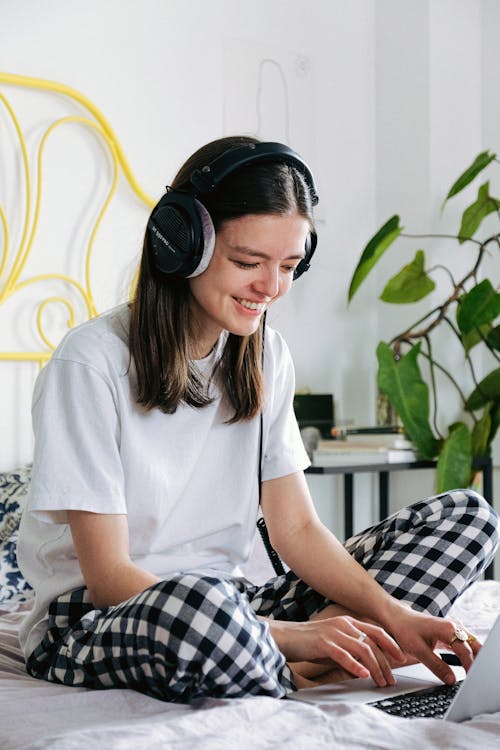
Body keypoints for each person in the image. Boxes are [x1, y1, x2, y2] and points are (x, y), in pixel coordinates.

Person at [18, 135, 499, 703]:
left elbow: (295, 530)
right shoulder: (90, 362)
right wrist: (296, 635)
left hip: (236, 604)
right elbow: (109, 578)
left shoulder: (267, 356)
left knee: (469, 517)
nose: (270, 288)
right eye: (248, 262)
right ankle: (299, 662)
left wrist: (397, 615)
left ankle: (305, 659)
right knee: (200, 606)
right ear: (183, 244)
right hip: (110, 619)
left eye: (289, 266)